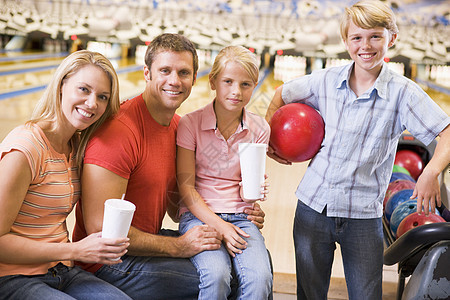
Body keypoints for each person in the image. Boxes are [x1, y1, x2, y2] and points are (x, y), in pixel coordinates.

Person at [265, 1, 450, 299]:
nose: (366, 45)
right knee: (309, 294)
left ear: (392, 38)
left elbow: (447, 131)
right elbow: (279, 93)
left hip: (363, 216)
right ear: (346, 41)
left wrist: (431, 171)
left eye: (375, 36)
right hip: (313, 207)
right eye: (357, 38)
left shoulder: (403, 92)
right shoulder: (325, 80)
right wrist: (271, 143)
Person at [72, 33, 267, 300]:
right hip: (110, 264)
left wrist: (238, 212)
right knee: (230, 281)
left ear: (195, 79)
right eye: (165, 70)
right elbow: (100, 227)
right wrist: (179, 247)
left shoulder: (177, 126)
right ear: (147, 73)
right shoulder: (119, 132)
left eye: (183, 72)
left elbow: (178, 208)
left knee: (256, 261)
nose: (174, 81)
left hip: (144, 244)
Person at [0, 50, 131, 300]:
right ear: (61, 86)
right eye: (84, 89)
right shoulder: (25, 149)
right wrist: (77, 250)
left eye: (102, 97)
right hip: (13, 277)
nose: (92, 103)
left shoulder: (76, 146)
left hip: (61, 269)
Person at [177, 45, 273, 299]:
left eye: (246, 84)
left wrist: (254, 192)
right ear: (213, 82)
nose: (236, 91)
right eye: (228, 81)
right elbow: (186, 188)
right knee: (217, 276)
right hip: (198, 216)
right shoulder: (190, 123)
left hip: (241, 217)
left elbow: (247, 184)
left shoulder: (260, 127)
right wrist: (220, 226)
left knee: (260, 279)